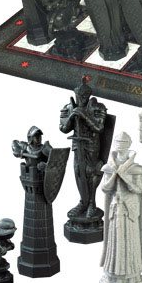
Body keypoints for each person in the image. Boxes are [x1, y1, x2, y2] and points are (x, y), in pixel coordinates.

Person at [100, 132, 142, 283]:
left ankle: (131, 275)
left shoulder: (136, 169)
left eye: (123, 142)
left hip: (130, 208)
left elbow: (139, 190)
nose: (120, 145)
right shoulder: (109, 167)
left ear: (129, 144)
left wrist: (125, 177)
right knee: (115, 239)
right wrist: (115, 175)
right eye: (118, 142)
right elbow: (105, 188)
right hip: (115, 206)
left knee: (130, 239)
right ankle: (113, 274)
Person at [60, 78, 108, 218]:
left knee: (91, 172)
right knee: (78, 172)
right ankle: (83, 202)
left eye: (85, 96)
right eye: (80, 95)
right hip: (77, 144)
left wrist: (84, 115)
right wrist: (72, 116)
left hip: (91, 144)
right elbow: (63, 128)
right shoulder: (68, 107)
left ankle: (92, 203)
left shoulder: (98, 107)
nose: (82, 98)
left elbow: (99, 127)